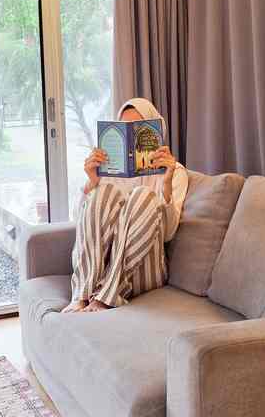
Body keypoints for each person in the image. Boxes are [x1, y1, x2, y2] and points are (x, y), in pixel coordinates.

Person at [63, 97, 188, 313]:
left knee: (143, 196)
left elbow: (167, 234)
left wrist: (165, 183)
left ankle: (106, 297)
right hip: (101, 269)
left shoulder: (175, 171)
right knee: (103, 192)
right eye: (125, 129)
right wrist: (92, 183)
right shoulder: (110, 170)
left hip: (143, 268)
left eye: (138, 129)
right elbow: (82, 225)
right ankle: (82, 293)